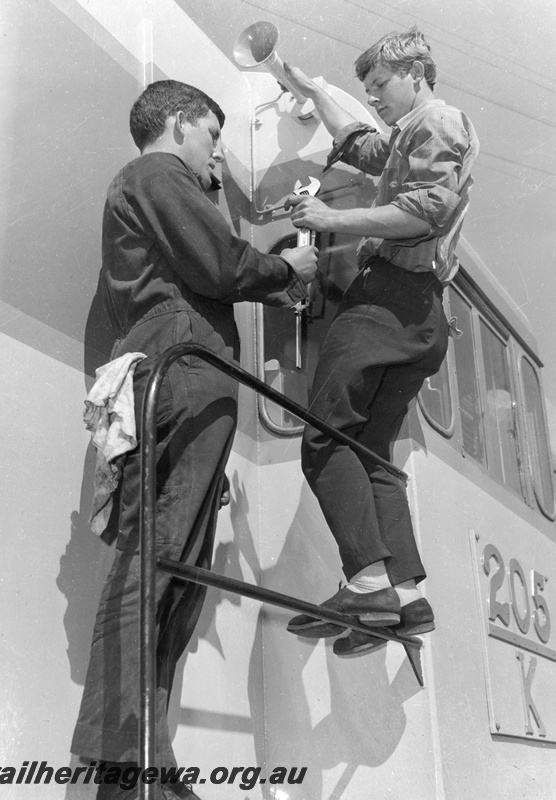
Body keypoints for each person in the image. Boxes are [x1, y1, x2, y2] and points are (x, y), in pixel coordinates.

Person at [71, 79, 317, 799]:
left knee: (174, 567)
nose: (216, 152)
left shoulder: (151, 185)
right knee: (160, 557)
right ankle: (126, 752)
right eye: (212, 134)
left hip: (180, 371)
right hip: (183, 370)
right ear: (179, 124)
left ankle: (146, 745)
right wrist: (289, 270)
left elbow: (207, 259)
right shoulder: (158, 173)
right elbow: (222, 265)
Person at [283, 28, 479, 656]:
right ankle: (407, 598)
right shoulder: (411, 133)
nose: (373, 98)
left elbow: (426, 211)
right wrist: (307, 88)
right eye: (366, 90)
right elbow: (360, 141)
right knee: (370, 454)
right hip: (420, 315)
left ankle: (366, 583)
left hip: (388, 301)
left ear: (416, 73)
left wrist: (331, 220)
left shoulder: (438, 120)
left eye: (380, 86)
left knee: (324, 438)